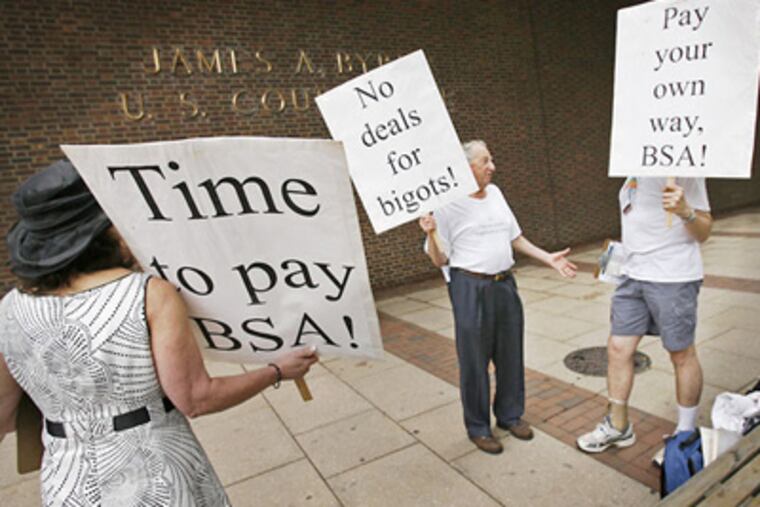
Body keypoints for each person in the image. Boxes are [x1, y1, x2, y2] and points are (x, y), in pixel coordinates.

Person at [0, 160, 319, 505]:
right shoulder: (149, 294)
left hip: (68, 484)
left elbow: (3, 413)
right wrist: (276, 371)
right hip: (157, 476)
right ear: (107, 231)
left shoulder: (9, 307)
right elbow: (197, 397)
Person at [419, 140, 577, 454]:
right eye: (485, 161)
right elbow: (439, 260)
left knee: (510, 353)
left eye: (491, 159)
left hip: (505, 284)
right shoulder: (447, 204)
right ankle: (478, 427)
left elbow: (514, 236)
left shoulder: (496, 194)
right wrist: (431, 234)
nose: (492, 166)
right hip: (469, 286)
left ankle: (509, 415)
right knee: (475, 361)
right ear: (466, 168)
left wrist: (548, 258)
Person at [577, 176, 712, 453]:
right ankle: (618, 426)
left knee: (681, 353)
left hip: (672, 276)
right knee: (617, 348)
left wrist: (686, 210)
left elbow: (704, 230)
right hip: (632, 274)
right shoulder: (633, 170)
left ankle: (685, 433)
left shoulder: (683, 170)